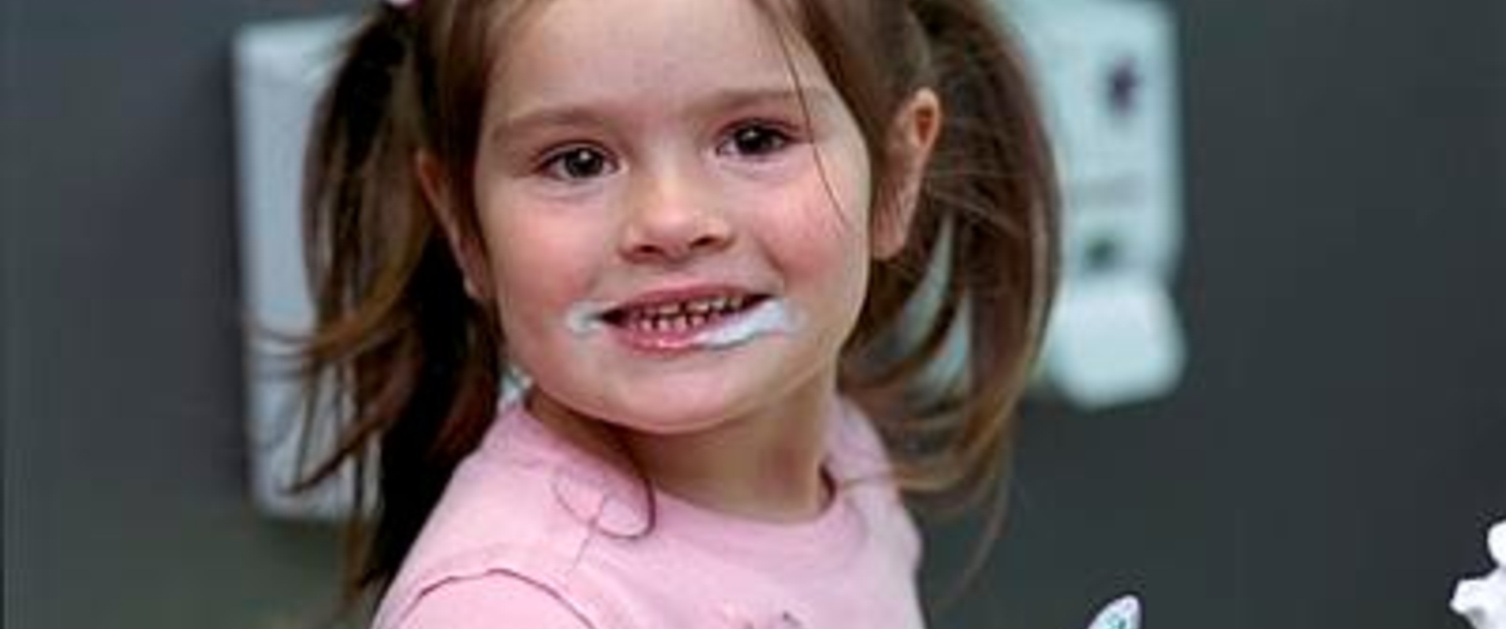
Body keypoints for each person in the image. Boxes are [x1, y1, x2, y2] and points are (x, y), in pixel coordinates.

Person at [294, 0, 1058, 626]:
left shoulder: (846, 455)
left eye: (755, 139)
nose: (670, 219)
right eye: (578, 160)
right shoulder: (509, 608)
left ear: (894, 177)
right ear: (464, 225)